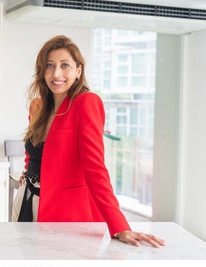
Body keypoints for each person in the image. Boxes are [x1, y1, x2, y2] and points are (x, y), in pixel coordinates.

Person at [12, 35, 165, 248]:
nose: (56, 73)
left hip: (64, 210)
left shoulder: (86, 103)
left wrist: (119, 226)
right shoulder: (37, 107)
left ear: (78, 70)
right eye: (49, 65)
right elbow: (34, 149)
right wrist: (27, 173)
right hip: (27, 198)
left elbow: (94, 167)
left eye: (65, 65)